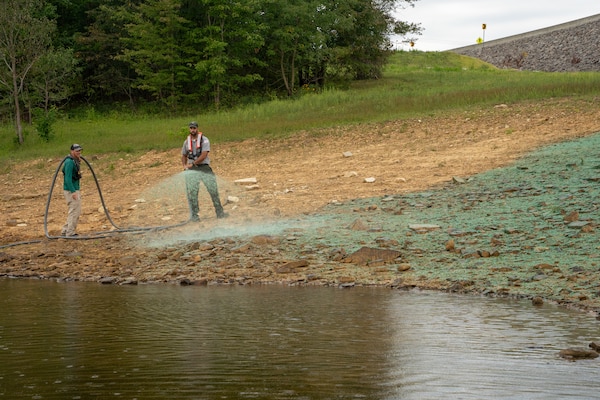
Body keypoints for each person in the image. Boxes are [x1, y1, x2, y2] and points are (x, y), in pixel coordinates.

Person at [181, 121, 227, 221]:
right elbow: (184, 155)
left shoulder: (204, 140)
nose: (193, 130)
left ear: (197, 128)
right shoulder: (186, 142)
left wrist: (193, 163)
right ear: (189, 129)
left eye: (194, 128)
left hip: (204, 167)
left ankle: (220, 212)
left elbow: (204, 154)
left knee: (212, 189)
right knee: (193, 192)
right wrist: (185, 166)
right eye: (191, 128)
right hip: (192, 169)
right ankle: (195, 216)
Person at [61, 144, 83, 236]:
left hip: (74, 188)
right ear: (72, 151)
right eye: (77, 151)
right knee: (75, 211)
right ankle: (70, 232)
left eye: (80, 151)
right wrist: (73, 191)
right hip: (71, 190)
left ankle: (65, 230)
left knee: (73, 210)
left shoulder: (74, 160)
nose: (79, 152)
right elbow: (67, 178)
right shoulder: (69, 162)